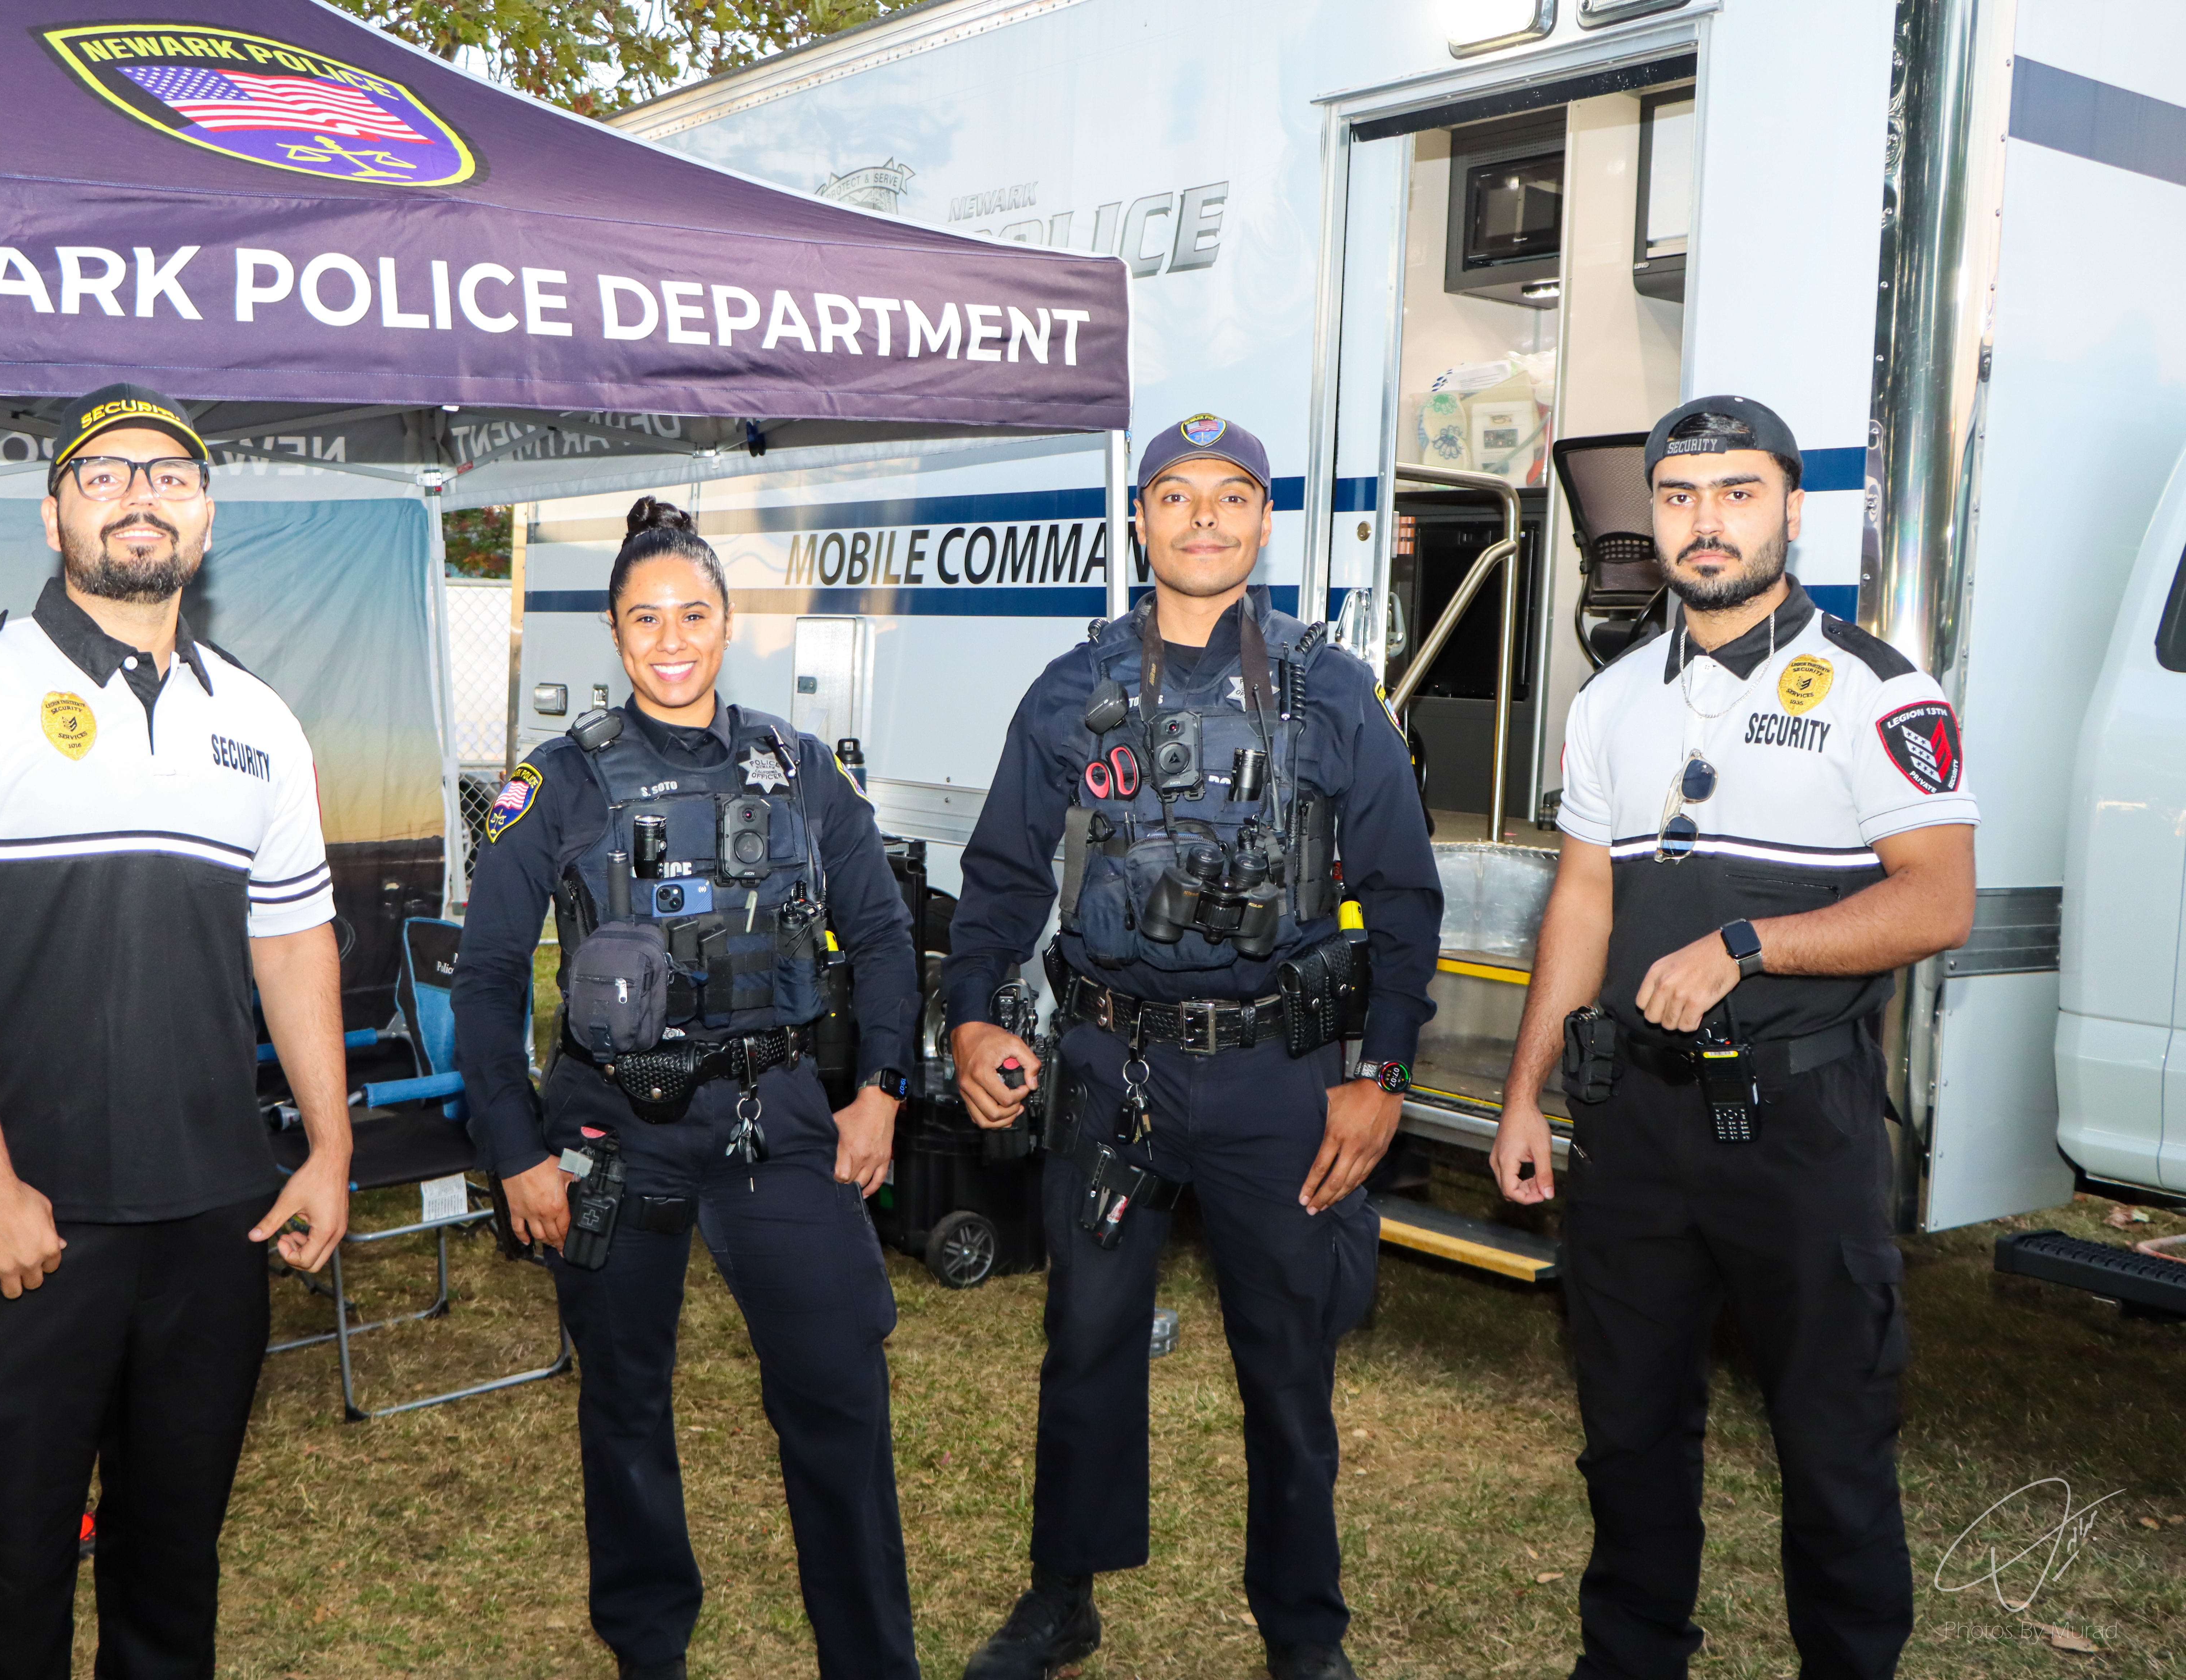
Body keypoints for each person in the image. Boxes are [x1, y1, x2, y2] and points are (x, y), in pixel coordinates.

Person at [0, 382, 352, 1676]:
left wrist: (330, 1150)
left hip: (217, 1219)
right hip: (33, 1225)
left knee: (173, 1565)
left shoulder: (259, 718)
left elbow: (294, 941)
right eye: (107, 474)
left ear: (207, 518)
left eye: (170, 478)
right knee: (5, 1577)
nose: (141, 497)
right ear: (54, 511)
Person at [941, 415, 1443, 1680]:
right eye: (1176, 496)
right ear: (1141, 522)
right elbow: (1003, 876)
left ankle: (1304, 1633)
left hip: (1280, 1077)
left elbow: (1403, 896)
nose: (1203, 518)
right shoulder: (1073, 689)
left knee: (1289, 1360)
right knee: (1087, 1340)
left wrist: (1382, 1077)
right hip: (1114, 1070)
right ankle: (1063, 1598)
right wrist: (974, 1015)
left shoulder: (1333, 690)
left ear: (1264, 521)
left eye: (1230, 496)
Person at [1491, 396, 1978, 1680]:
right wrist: (1528, 1092)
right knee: (1629, 1432)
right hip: (1634, 1124)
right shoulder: (1611, 699)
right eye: (1680, 497)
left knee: (1833, 1439)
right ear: (1653, 518)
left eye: (1738, 492)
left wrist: (1752, 946)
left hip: (1801, 1127)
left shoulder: (1880, 688)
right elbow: (1582, 902)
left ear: (1791, 510)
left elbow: (1939, 900)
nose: (1706, 522)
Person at [452, 499, 923, 1680]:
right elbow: (490, 976)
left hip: (777, 1120)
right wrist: (515, 1151)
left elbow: (882, 934)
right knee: (625, 1405)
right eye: (646, 619)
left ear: (729, 622)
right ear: (615, 632)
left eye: (694, 615)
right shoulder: (555, 783)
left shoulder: (800, 769)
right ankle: (648, 1650)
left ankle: (874, 1659)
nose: (672, 641)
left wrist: (881, 1089)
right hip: (613, 1129)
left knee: (839, 1396)